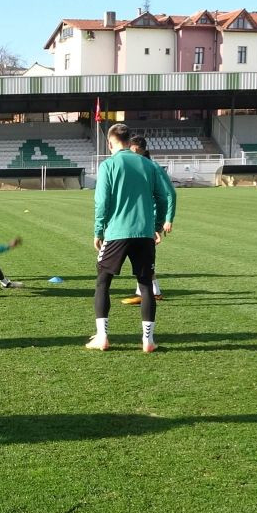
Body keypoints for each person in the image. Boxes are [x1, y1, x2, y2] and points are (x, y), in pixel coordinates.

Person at [89, 124, 170, 353]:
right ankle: (148, 341)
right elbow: (162, 198)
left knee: (103, 282)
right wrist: (156, 225)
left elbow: (102, 202)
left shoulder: (108, 165)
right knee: (145, 285)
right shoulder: (148, 164)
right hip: (144, 233)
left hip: (116, 233)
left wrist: (98, 231)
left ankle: (102, 337)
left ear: (110, 142)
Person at [122, 135, 175, 305]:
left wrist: (167, 220)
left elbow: (170, 193)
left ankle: (154, 292)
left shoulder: (153, 167)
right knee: (143, 257)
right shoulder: (142, 167)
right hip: (143, 218)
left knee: (145, 259)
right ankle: (146, 291)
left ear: (136, 149)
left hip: (150, 220)